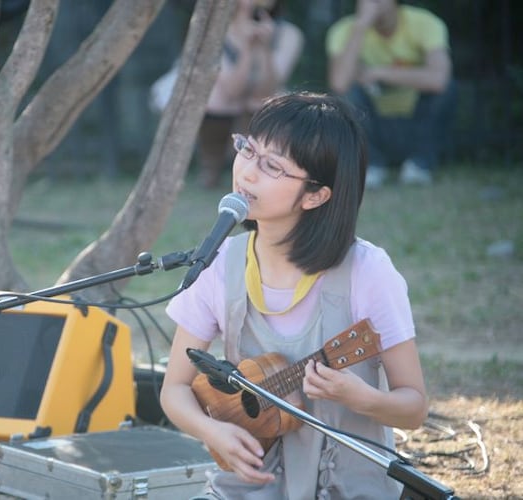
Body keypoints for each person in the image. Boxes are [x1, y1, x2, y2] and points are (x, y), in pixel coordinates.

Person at [159, 92, 428, 499]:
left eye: (272, 166)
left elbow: (414, 407)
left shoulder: (367, 271)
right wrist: (215, 432)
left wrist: (364, 398)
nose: (247, 172)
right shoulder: (221, 264)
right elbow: (174, 389)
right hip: (245, 488)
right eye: (248, 149)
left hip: (345, 489)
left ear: (316, 195)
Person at [325, 0, 457, 188]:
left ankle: (420, 165)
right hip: (371, 126)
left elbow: (439, 79)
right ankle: (369, 164)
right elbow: (339, 83)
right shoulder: (344, 30)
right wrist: (361, 26)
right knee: (344, 95)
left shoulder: (424, 22)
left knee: (448, 89)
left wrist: (379, 73)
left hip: (417, 123)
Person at [196, 0, 303, 189]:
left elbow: (267, 88)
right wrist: (246, 48)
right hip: (225, 98)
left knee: (267, 100)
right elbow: (232, 89)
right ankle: (211, 167)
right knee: (217, 98)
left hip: (262, 99)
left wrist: (263, 48)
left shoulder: (289, 34)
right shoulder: (214, 33)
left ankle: (257, 164)